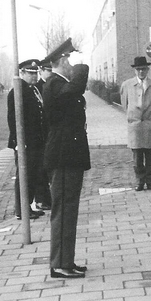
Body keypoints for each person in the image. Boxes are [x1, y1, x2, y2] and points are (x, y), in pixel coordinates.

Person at [42, 38, 89, 278]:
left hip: (68, 155)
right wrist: (82, 67)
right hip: (62, 157)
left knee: (69, 209)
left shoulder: (60, 83)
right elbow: (78, 82)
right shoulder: (54, 83)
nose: (73, 64)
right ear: (61, 60)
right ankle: (60, 264)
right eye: (69, 58)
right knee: (63, 210)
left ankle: (66, 261)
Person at [7, 59, 47, 220]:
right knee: (24, 175)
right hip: (25, 142)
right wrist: (18, 141)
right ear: (22, 73)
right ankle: (21, 210)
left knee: (32, 175)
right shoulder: (17, 91)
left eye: (36, 73)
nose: (34, 76)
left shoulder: (31, 90)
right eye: (30, 73)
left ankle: (27, 206)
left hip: (35, 141)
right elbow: (13, 119)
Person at [120, 56, 151, 191]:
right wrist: (133, 116)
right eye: (138, 69)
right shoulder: (127, 85)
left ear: (148, 69)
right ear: (135, 70)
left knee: (150, 156)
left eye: (144, 69)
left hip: (150, 125)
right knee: (137, 157)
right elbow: (124, 104)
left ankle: (150, 182)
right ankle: (139, 182)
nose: (141, 72)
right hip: (135, 126)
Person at [33, 58, 54, 211]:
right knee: (41, 169)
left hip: (50, 132)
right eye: (48, 70)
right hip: (41, 134)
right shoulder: (38, 87)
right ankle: (42, 199)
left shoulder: (52, 84)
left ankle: (47, 198)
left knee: (48, 167)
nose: (50, 73)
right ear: (42, 71)